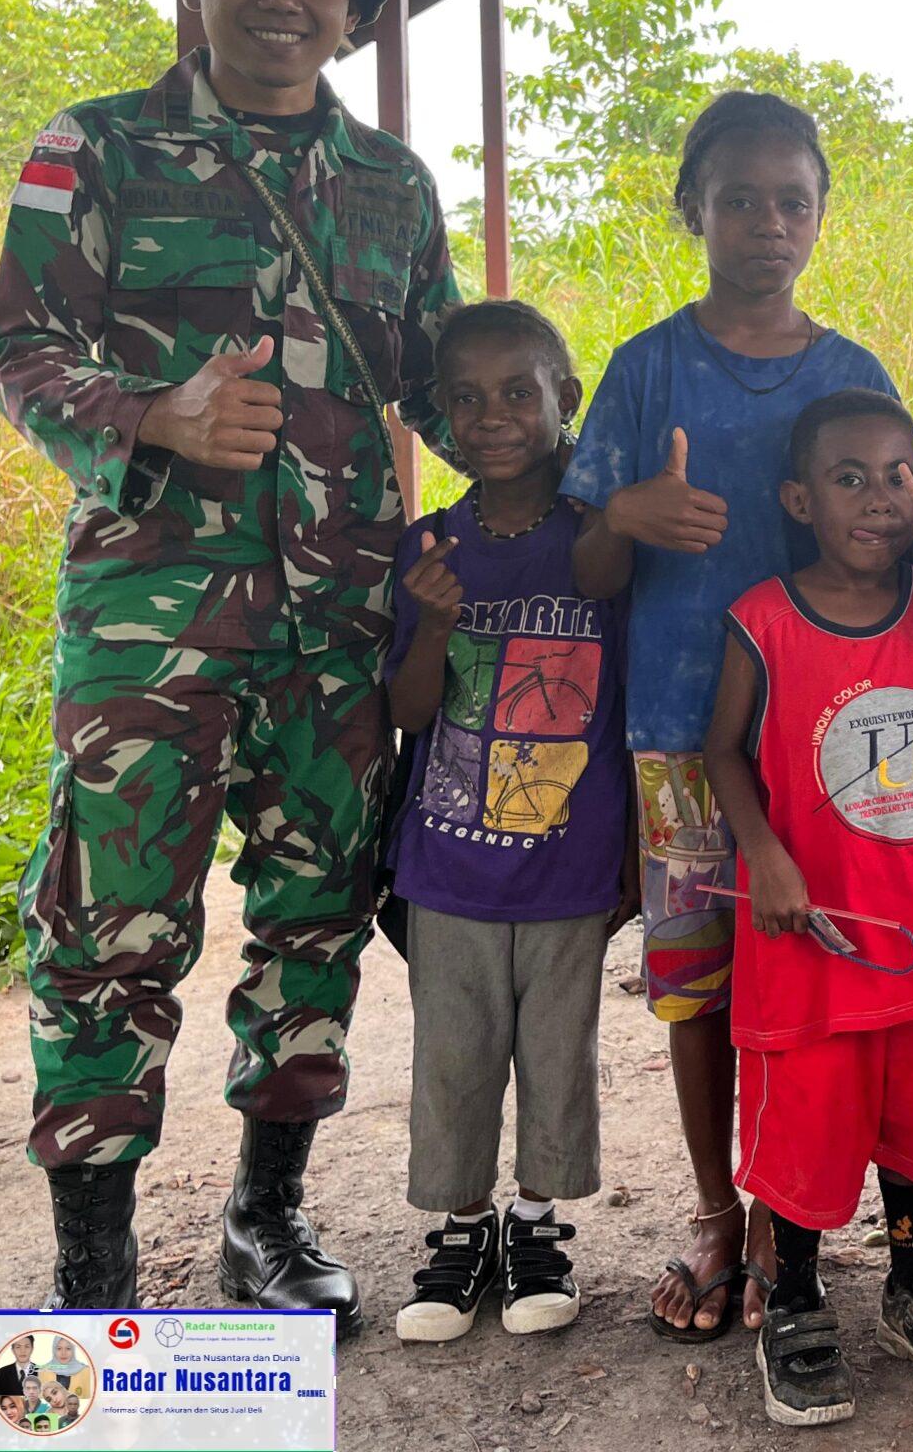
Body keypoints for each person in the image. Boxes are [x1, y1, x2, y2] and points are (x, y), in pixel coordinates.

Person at [0, 0, 459, 1325]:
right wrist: (155, 416)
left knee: (315, 913)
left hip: (340, 627)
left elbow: (446, 382)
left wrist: (572, 495)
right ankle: (96, 1269)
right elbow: (15, 349)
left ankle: (267, 1220)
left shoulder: (390, 183)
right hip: (151, 621)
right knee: (113, 927)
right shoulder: (98, 149)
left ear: (351, 15)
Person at [564, 91, 896, 1341]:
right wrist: (627, 519)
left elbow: (891, 545)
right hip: (679, 738)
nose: (767, 223)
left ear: (819, 217)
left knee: (810, 979)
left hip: (826, 739)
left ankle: (787, 1212)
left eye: (792, 201)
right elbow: (592, 568)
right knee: (698, 991)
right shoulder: (649, 367)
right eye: (740, 198)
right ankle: (716, 1208)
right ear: (691, 209)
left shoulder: (852, 374)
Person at [705, 390, 913, 1427]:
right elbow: (720, 749)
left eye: (900, 475)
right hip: (807, 933)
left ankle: (908, 1284)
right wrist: (761, 852)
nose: (880, 498)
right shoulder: (761, 617)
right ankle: (797, 1297)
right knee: (807, 1116)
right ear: (799, 499)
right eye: (849, 478)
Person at [387, 301, 630, 1343]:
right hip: (450, 864)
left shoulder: (600, 543)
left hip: (572, 860)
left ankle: (536, 1228)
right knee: (455, 1052)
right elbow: (404, 711)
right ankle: (460, 1230)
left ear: (564, 400)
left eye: (519, 392)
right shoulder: (428, 545)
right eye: (467, 400)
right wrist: (435, 623)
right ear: (441, 418)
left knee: (555, 1051)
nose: (493, 418)